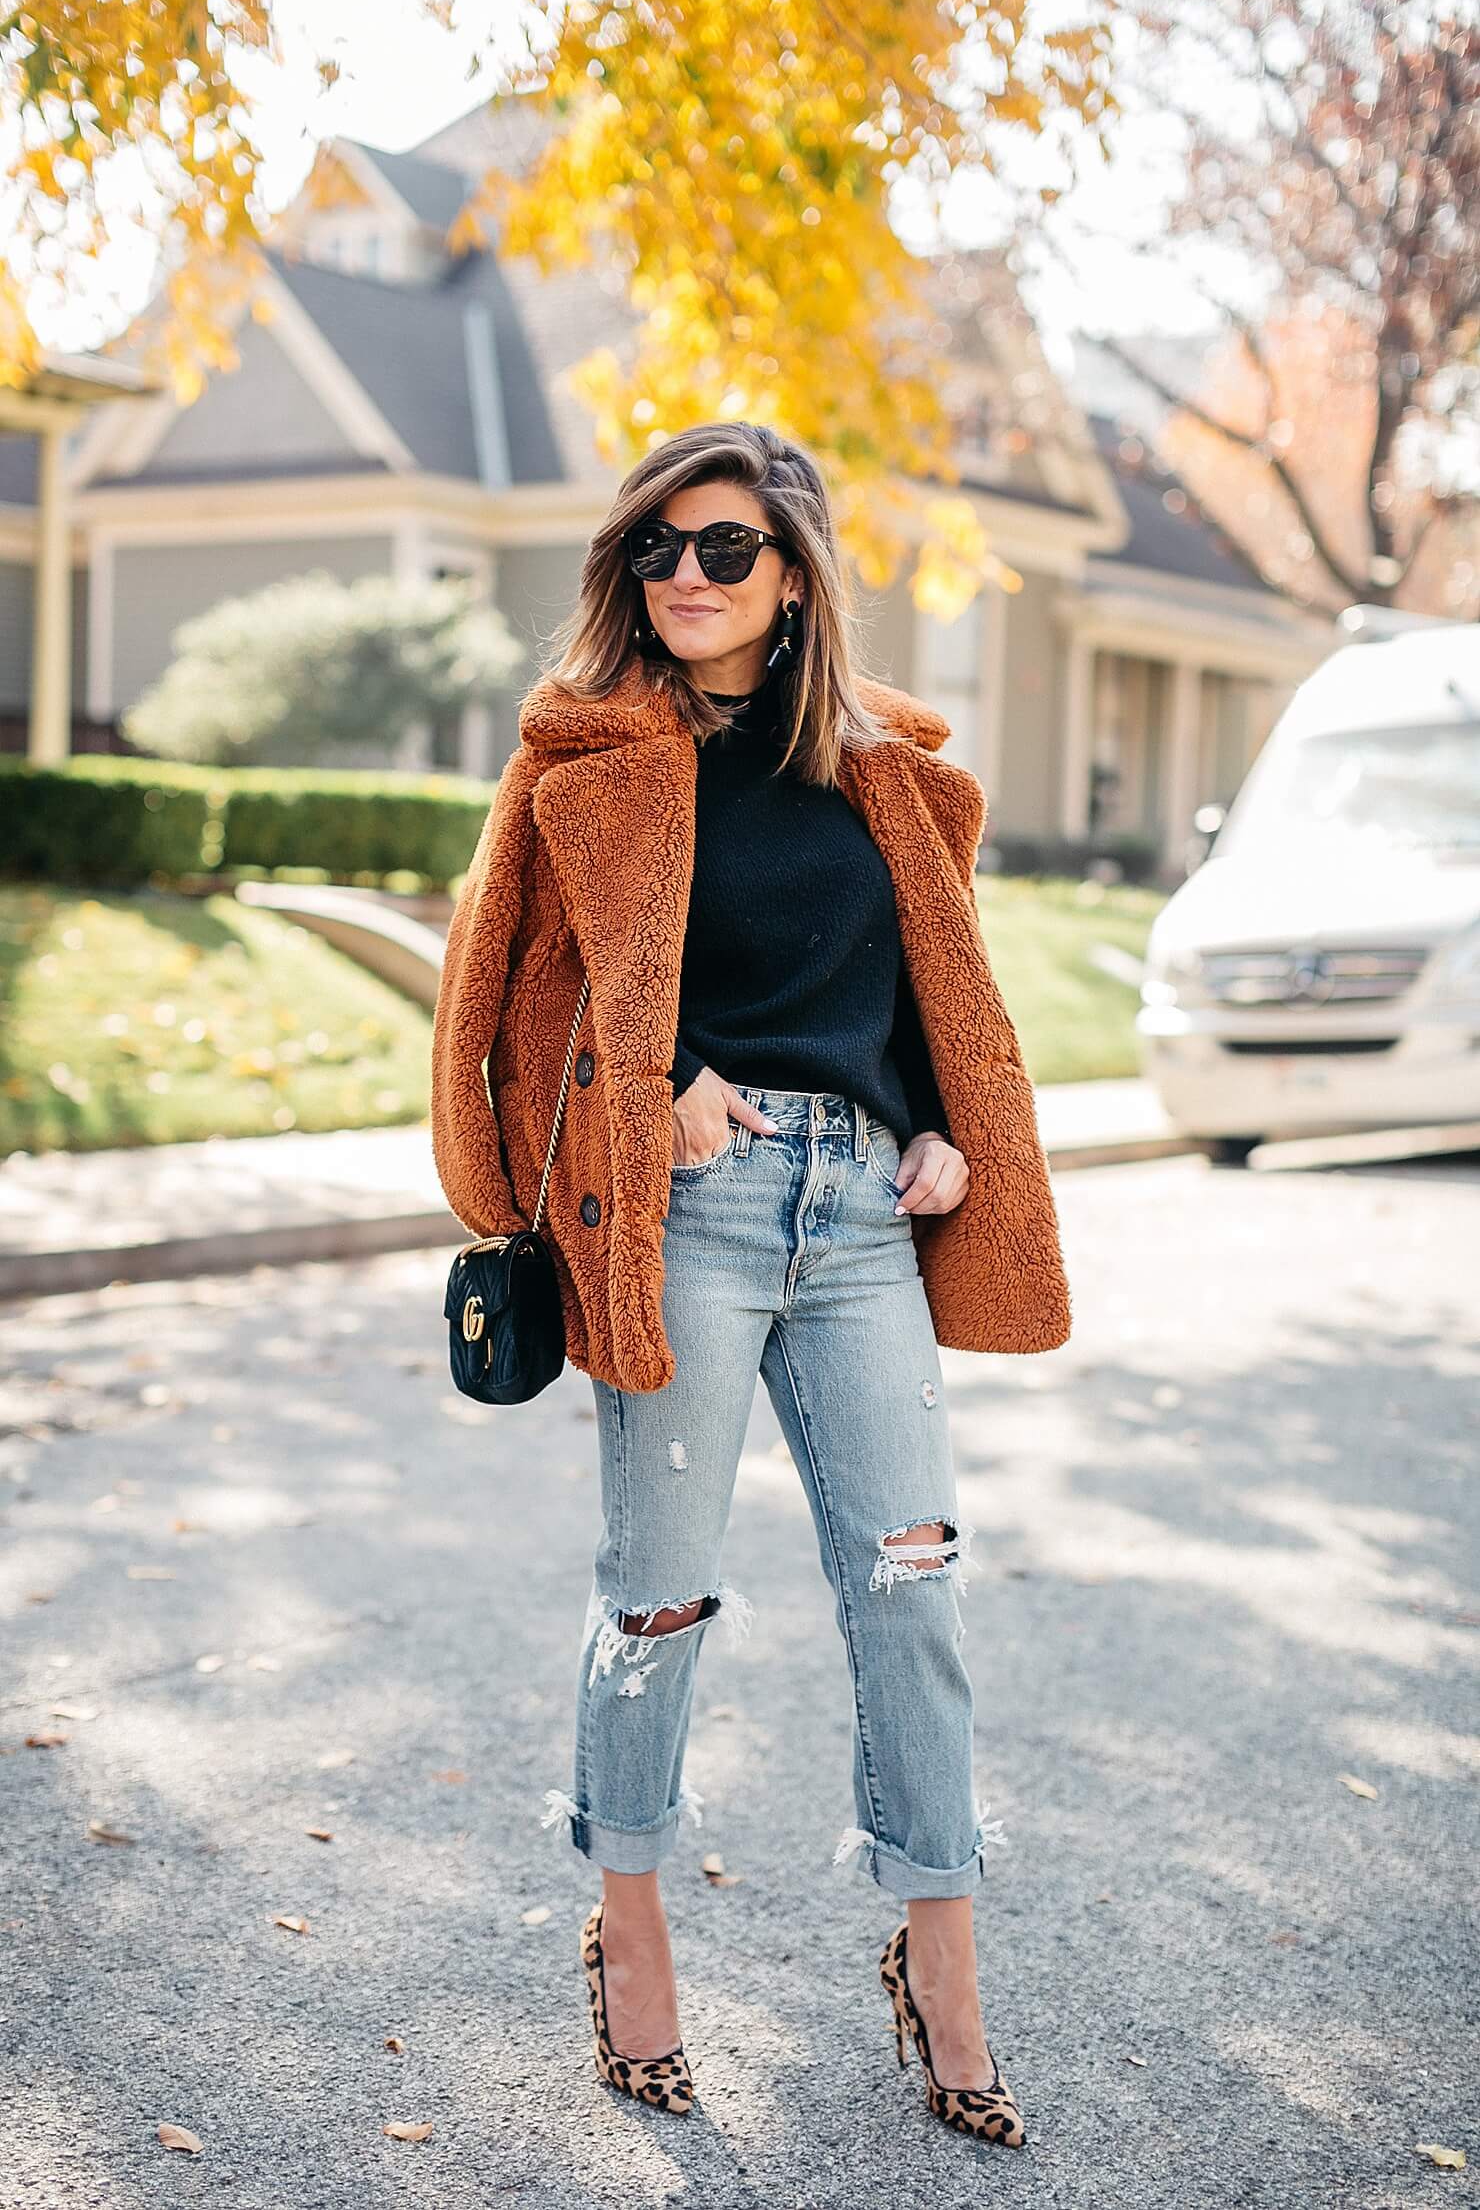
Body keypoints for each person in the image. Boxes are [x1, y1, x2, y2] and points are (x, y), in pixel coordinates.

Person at [429, 420, 1070, 2148]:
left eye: (723, 551)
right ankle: (631, 1946)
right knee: (656, 1601)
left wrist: (941, 1133)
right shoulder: (588, 757)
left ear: (793, 576)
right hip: (684, 1217)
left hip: (861, 1217)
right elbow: (512, 1002)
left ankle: (944, 1971)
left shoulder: (882, 774)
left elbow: (934, 986)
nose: (687, 580)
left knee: (915, 1586)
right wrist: (659, 1088)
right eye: (657, 551)